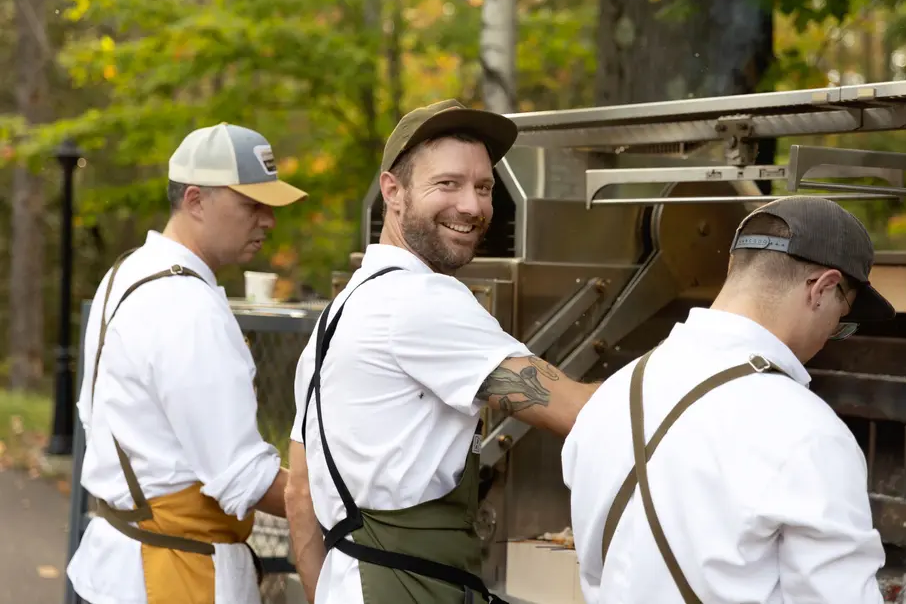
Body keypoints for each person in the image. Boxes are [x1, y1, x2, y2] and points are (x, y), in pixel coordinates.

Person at [284, 99, 598, 604]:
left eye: (484, 187)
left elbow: (301, 494)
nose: (472, 207)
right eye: (447, 184)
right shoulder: (422, 298)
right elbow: (580, 412)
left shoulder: (340, 312)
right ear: (394, 191)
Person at [562, 195, 895, 604]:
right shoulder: (808, 432)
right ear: (822, 289)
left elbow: (596, 571)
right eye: (843, 317)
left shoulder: (612, 395)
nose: (832, 333)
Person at [67, 123, 308, 604]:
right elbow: (243, 476)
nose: (268, 221)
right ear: (195, 200)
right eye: (251, 205)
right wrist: (349, 505)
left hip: (117, 564)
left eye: (270, 207)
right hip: (172, 575)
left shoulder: (128, 271)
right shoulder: (187, 307)